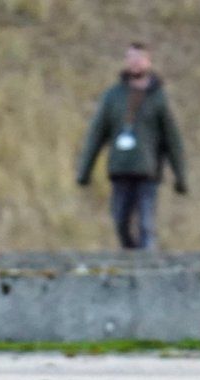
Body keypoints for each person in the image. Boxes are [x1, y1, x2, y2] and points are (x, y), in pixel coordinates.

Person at [76, 42, 187, 250]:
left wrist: (181, 177)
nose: (135, 63)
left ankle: (148, 266)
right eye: (131, 58)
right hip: (120, 168)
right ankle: (130, 260)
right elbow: (96, 135)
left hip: (148, 171)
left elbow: (173, 140)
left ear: (148, 62)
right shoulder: (113, 96)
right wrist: (84, 171)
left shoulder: (159, 98)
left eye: (139, 58)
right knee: (120, 222)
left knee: (146, 224)